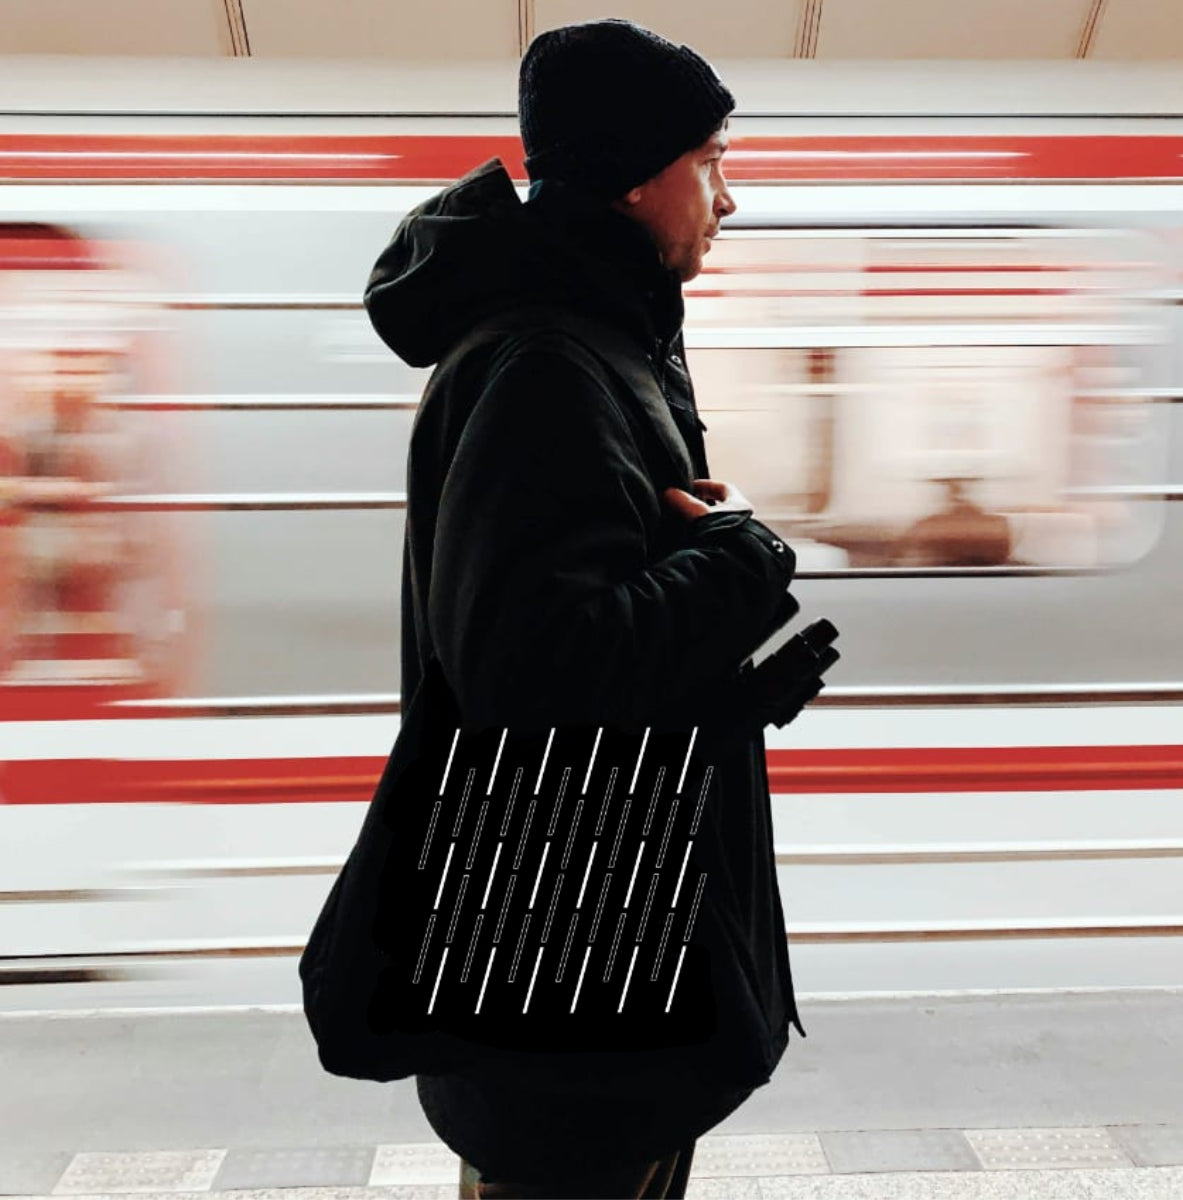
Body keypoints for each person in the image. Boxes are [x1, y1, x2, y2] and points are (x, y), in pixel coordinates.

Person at [364, 20, 805, 1199]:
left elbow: (590, 648)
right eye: (712, 159)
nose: (731, 194)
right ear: (637, 174)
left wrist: (732, 682)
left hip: (596, 974)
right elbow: (536, 674)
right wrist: (746, 559)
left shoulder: (596, 349)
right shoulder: (551, 368)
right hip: (572, 998)